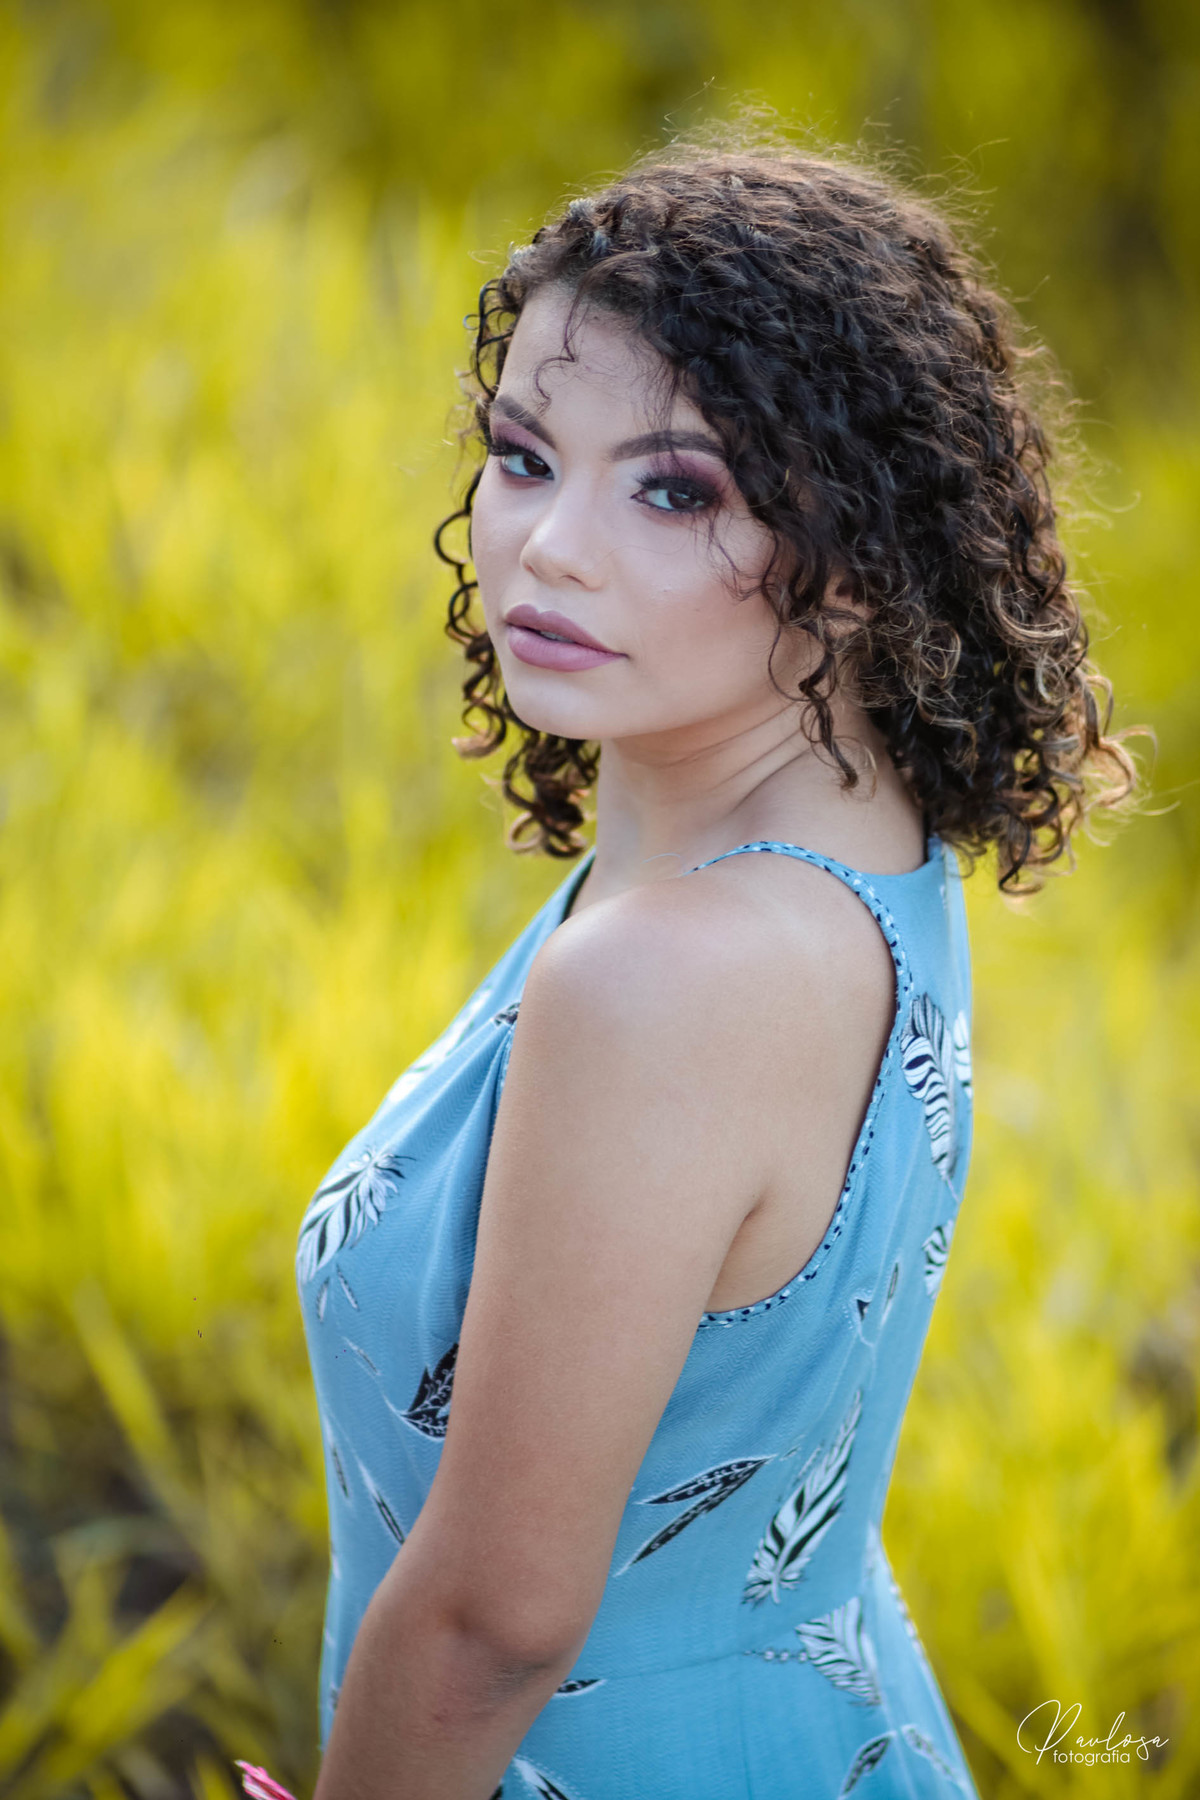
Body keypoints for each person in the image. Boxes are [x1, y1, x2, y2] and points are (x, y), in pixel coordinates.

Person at [290, 134, 1134, 1800]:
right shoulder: (856, 850)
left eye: (678, 491)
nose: (551, 546)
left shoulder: (671, 982)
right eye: (524, 457)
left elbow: (491, 1627)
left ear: (862, 550)